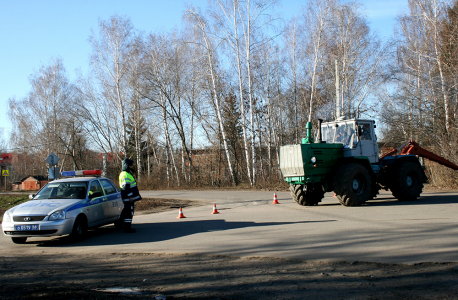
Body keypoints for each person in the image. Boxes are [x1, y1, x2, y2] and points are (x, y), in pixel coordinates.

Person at [119, 158, 142, 233]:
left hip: (128, 198)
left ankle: (128, 227)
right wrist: (130, 196)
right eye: (130, 165)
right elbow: (126, 187)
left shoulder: (126, 174)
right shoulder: (125, 174)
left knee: (129, 212)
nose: (131, 167)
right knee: (128, 213)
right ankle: (127, 228)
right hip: (128, 198)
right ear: (126, 166)